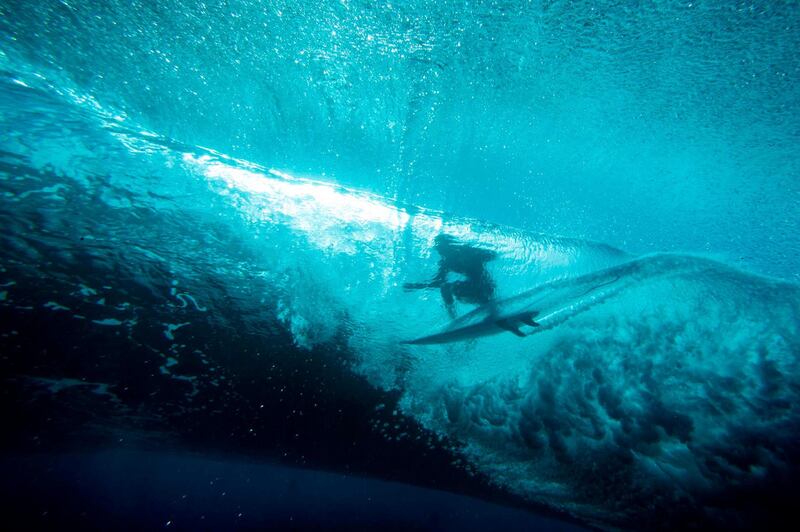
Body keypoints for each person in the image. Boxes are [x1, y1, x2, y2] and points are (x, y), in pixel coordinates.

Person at [404, 233, 497, 317]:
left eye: (440, 248)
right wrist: (416, 286)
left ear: (449, 245)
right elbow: (438, 282)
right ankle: (453, 317)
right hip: (472, 290)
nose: (439, 251)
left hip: (487, 287)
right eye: (438, 248)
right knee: (445, 287)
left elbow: (493, 255)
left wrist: (473, 253)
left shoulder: (467, 251)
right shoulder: (447, 262)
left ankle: (491, 308)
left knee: (473, 287)